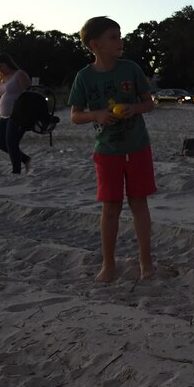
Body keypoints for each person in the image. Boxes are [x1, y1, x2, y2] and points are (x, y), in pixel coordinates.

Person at [68, 16, 157, 282]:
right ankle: (108, 264)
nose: (120, 41)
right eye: (114, 37)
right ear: (95, 44)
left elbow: (149, 103)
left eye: (120, 36)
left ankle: (146, 261)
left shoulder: (131, 69)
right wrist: (97, 115)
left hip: (138, 146)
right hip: (107, 151)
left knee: (139, 203)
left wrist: (135, 109)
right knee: (111, 207)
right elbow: (74, 115)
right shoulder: (84, 77)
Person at [0, 52, 32, 174]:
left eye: (1, 66)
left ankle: (16, 171)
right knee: (2, 144)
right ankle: (25, 159)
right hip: (4, 116)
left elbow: (29, 93)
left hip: (18, 115)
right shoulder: (2, 78)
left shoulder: (19, 74)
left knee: (11, 143)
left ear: (8, 63)